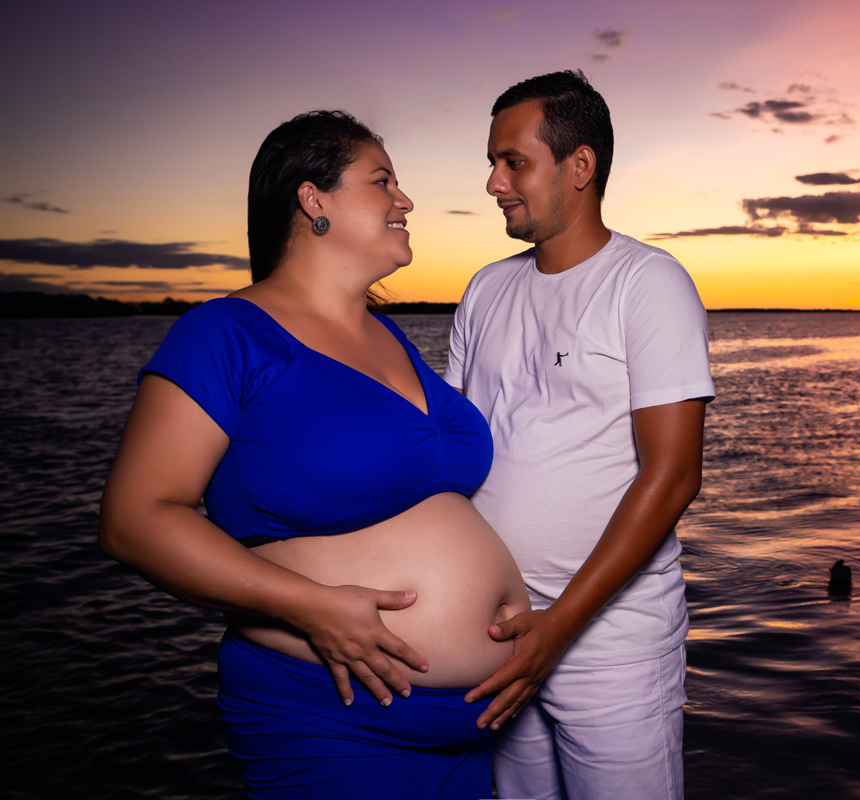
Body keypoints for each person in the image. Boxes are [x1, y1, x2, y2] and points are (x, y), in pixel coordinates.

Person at [99, 110, 530, 799]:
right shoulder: (226, 334)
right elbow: (136, 519)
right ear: (313, 199)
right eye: (382, 180)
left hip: (478, 728)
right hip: (334, 721)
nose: (406, 200)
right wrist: (311, 607)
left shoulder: (393, 341)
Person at [447, 71, 714, 800]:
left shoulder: (647, 283)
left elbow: (673, 476)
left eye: (514, 162)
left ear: (580, 166)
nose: (496, 182)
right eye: (493, 162)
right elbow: (456, 451)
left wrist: (558, 627)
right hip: (497, 631)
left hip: (610, 644)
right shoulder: (484, 289)